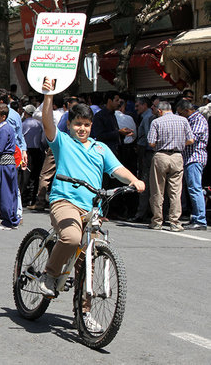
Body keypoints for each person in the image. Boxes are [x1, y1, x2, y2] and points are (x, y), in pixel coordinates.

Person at [37, 78, 144, 325]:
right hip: (64, 201)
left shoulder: (100, 149)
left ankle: (83, 314)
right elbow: (47, 122)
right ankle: (49, 275)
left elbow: (117, 170)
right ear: (70, 125)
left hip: (92, 209)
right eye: (77, 124)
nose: (82, 129)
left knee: (89, 261)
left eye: (86, 124)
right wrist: (48, 96)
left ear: (91, 125)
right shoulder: (62, 142)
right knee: (72, 238)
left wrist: (135, 180)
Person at [147, 101, 194, 231]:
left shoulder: (156, 122)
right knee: (175, 191)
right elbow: (191, 140)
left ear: (160, 111)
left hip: (161, 156)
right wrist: (178, 142)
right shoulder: (183, 121)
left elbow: (151, 142)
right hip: (177, 156)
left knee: (157, 190)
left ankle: (157, 221)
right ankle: (175, 222)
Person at [176, 99, 209, 230]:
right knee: (192, 189)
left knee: (195, 188)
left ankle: (200, 220)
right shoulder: (190, 120)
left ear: (187, 110)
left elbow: (192, 139)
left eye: (180, 113)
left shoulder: (198, 120)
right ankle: (195, 217)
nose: (179, 116)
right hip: (188, 158)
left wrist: (175, 141)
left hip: (195, 158)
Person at [129, 97, 154, 222]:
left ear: (145, 105)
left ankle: (142, 213)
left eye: (138, 105)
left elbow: (151, 139)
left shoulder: (148, 117)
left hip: (147, 152)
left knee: (145, 182)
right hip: (146, 151)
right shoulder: (146, 117)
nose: (135, 108)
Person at [20, 104, 44, 207]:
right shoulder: (39, 124)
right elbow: (43, 139)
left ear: (26, 113)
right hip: (38, 150)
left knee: (25, 175)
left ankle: (25, 198)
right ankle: (33, 198)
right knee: (35, 175)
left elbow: (20, 136)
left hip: (27, 151)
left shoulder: (25, 123)